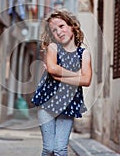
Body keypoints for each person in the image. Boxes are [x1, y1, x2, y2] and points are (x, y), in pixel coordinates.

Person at [31, 9, 92, 156]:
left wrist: (60, 76)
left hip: (68, 104)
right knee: (49, 149)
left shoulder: (84, 54)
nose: (58, 31)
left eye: (62, 26)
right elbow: (52, 68)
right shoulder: (53, 48)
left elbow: (86, 80)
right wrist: (75, 75)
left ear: (72, 26)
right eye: (54, 30)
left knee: (60, 149)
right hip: (47, 103)